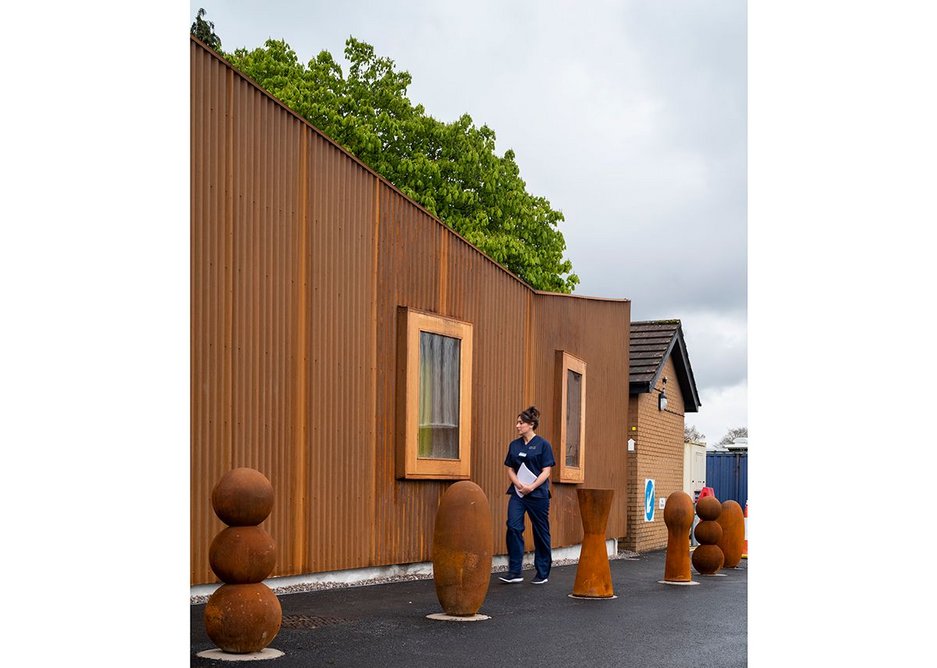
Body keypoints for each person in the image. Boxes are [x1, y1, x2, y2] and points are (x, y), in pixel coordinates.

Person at [499, 406, 556, 585]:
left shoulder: (543, 445)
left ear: (531, 425)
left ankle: (542, 572)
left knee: (540, 532)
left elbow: (546, 471)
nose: (517, 426)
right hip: (518, 493)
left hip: (537, 494)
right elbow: (510, 468)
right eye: (517, 422)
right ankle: (515, 572)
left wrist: (531, 487)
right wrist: (518, 484)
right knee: (513, 526)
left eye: (520, 423)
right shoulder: (514, 445)